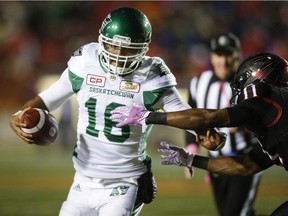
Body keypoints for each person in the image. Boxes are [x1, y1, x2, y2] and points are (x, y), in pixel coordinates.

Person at [10, 7, 224, 216]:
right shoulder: (85, 61)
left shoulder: (151, 75)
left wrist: (205, 133)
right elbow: (43, 102)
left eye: (129, 49)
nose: (119, 55)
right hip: (82, 181)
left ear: (144, 49)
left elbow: (187, 116)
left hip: (126, 182)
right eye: (113, 47)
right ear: (102, 42)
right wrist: (19, 117)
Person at [110, 52, 288, 215]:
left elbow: (210, 118)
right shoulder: (276, 117)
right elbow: (246, 166)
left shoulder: (266, 99)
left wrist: (148, 116)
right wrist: (191, 159)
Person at [184, 33, 261, 216]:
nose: (223, 61)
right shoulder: (198, 83)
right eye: (219, 54)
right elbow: (190, 117)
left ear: (238, 56)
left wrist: (245, 123)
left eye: (228, 54)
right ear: (212, 57)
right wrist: (192, 148)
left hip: (245, 160)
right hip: (216, 164)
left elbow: (265, 118)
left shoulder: (251, 84)